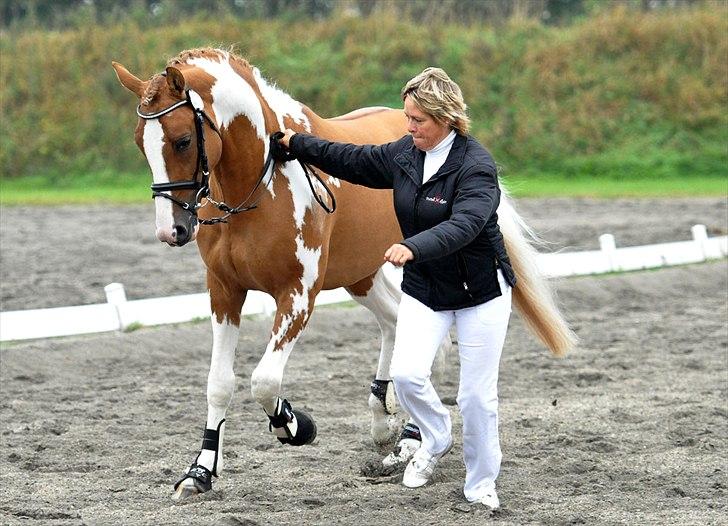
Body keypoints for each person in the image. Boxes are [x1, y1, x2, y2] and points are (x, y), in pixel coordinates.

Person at [278, 67, 514, 510]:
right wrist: (297, 144)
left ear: (447, 118)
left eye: (418, 121)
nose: (409, 128)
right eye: (407, 118)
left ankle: (481, 484)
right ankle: (437, 435)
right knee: (405, 377)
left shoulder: (477, 167)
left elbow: (466, 225)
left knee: (477, 398)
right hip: (427, 290)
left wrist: (412, 246)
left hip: (480, 292)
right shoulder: (406, 153)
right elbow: (353, 160)